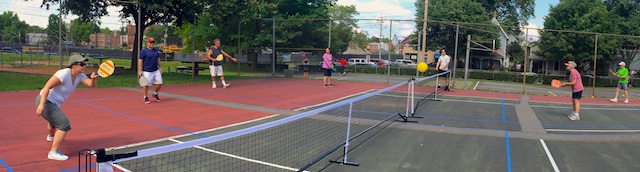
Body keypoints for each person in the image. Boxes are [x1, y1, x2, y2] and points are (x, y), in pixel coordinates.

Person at [36, 55, 98, 160]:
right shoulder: (63, 74)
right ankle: (53, 152)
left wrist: (93, 79)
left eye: (85, 64)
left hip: (54, 103)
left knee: (54, 122)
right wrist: (41, 105)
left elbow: (91, 85)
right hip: (45, 101)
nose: (84, 66)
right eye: (81, 64)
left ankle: (51, 137)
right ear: (73, 65)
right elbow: (47, 87)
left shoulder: (80, 75)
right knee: (64, 124)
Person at [138, 38, 163, 104]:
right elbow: (140, 61)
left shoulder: (155, 50)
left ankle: (155, 94)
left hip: (155, 70)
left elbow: (158, 59)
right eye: (150, 42)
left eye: (153, 42)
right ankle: (145, 97)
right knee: (146, 85)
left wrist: (160, 67)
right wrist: (140, 71)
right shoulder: (143, 51)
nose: (152, 44)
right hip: (147, 71)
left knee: (160, 83)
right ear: (147, 43)